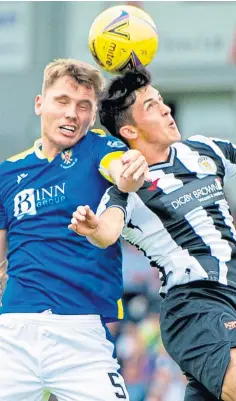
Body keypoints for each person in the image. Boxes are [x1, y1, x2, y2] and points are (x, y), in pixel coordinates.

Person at [69, 67, 236, 401]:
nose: (165, 109)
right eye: (151, 106)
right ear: (129, 129)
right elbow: (107, 231)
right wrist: (93, 227)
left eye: (161, 101)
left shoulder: (204, 150)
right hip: (196, 303)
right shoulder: (126, 189)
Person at [0, 58, 150, 401]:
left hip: (81, 337)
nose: (72, 114)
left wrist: (132, 171)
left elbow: (122, 171)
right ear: (41, 104)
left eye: (83, 106)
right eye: (62, 101)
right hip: (12, 334)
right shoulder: (6, 173)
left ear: (93, 115)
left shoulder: (100, 148)